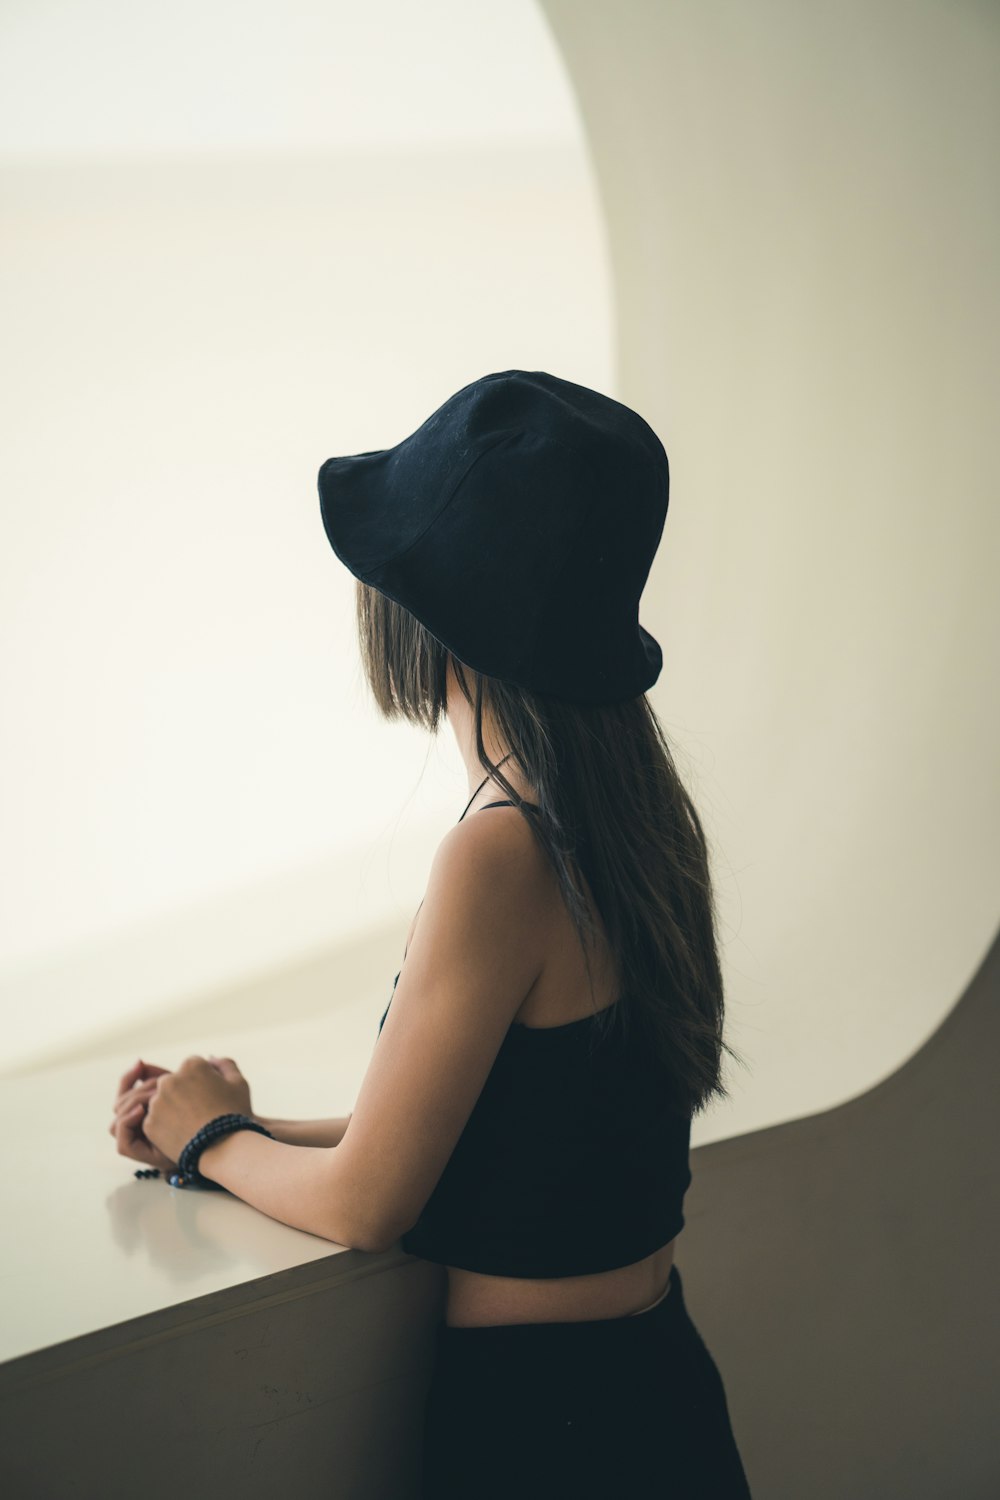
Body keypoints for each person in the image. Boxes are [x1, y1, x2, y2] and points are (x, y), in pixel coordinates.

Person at [110, 371, 753, 1497]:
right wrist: (226, 1127)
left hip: (545, 1431)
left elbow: (372, 1203)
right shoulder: (639, 820)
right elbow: (479, 1125)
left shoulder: (499, 856)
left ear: (432, 618)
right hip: (657, 1389)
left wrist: (214, 1141)